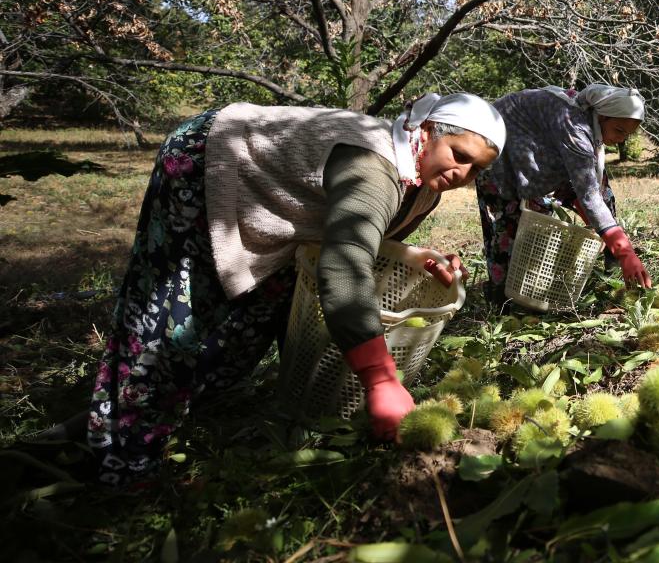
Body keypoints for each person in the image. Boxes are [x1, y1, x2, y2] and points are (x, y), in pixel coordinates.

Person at [82, 92, 505, 485]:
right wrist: (379, 379)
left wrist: (425, 258)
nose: (462, 174)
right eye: (459, 156)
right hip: (210, 159)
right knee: (178, 313)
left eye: (477, 169)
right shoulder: (374, 167)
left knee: (266, 305)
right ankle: (120, 452)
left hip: (271, 194)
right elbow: (345, 262)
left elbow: (366, 235)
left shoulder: (423, 179)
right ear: (427, 132)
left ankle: (188, 402)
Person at [476, 84, 653, 303]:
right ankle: (503, 299)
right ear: (601, 117)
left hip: (540, 146)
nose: (622, 139)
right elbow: (588, 196)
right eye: (619, 130)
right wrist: (626, 252)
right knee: (507, 226)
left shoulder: (587, 122)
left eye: (628, 134)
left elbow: (592, 189)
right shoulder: (576, 129)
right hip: (496, 151)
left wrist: (615, 244)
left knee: (603, 193)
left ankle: (612, 262)